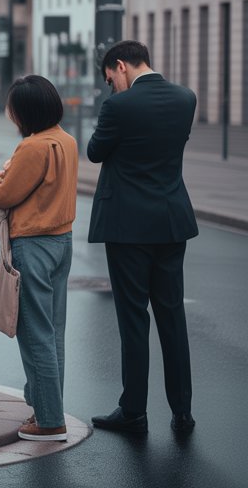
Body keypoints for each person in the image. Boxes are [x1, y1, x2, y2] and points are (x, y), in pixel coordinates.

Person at [87, 40, 198, 435]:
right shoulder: (186, 98)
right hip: (171, 221)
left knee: (133, 319)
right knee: (172, 316)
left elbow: (95, 152)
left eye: (109, 79)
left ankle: (133, 410)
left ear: (121, 66)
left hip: (128, 226)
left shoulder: (119, 106)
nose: (111, 86)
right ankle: (182, 412)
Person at [0, 75, 77, 442]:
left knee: (34, 332)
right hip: (62, 242)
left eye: (12, 107)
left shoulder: (33, 148)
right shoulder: (67, 141)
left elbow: (3, 195)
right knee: (54, 332)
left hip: (34, 244)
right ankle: (46, 407)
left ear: (24, 111)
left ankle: (50, 420)